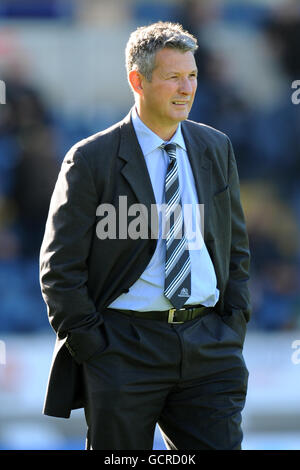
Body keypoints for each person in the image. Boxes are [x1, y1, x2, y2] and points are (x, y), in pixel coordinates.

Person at [40, 21, 251, 450]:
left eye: (192, 76)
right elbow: (59, 269)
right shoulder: (90, 159)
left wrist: (233, 322)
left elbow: (236, 249)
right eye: (173, 76)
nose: (186, 88)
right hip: (124, 350)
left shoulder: (215, 147)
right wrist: (94, 346)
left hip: (209, 347)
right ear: (137, 80)